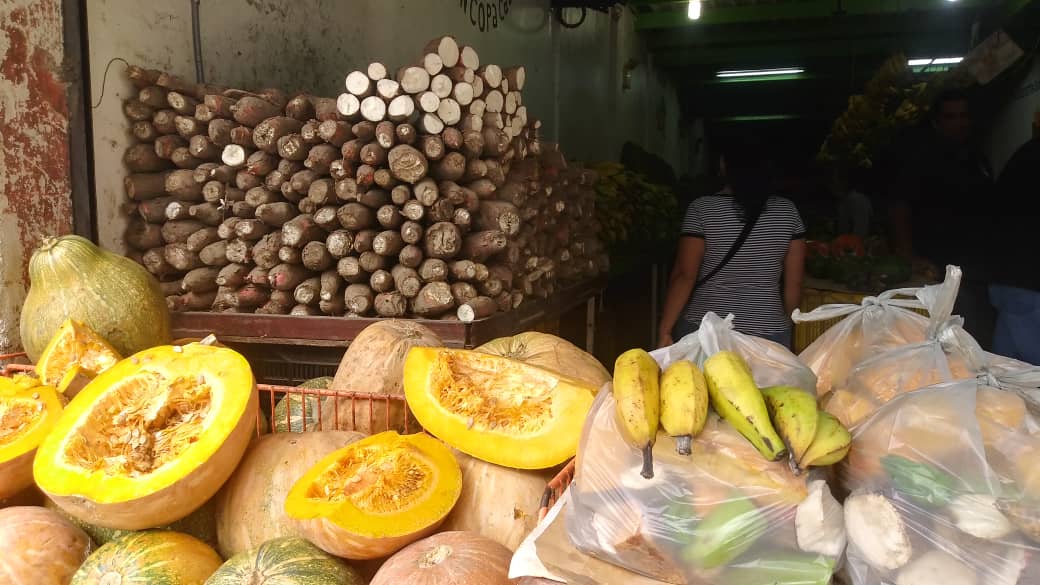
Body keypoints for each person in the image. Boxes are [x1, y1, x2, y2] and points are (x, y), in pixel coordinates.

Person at [657, 140, 806, 348]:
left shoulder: (702, 209)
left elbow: (684, 275)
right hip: (768, 333)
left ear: (723, 166)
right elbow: (794, 284)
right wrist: (790, 329)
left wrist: (664, 330)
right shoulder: (787, 211)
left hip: (707, 332)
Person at [886, 88, 996, 347]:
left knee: (976, 340)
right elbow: (898, 207)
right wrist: (909, 256)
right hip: (937, 271)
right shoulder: (920, 159)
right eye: (950, 117)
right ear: (937, 122)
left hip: (977, 270)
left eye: (963, 116)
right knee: (944, 343)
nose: (958, 123)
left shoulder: (978, 158)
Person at [988, 114, 1040, 364]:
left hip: (1012, 282)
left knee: (1008, 374)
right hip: (1028, 286)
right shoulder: (1032, 157)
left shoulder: (1025, 154)